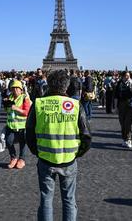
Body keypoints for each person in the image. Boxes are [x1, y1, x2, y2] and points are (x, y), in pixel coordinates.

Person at [26, 70, 92, 221]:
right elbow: (87, 136)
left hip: (45, 159)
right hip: (68, 160)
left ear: (48, 84)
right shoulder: (75, 105)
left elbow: (29, 133)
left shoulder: (39, 103)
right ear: (66, 86)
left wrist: (38, 152)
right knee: (69, 200)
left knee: (46, 200)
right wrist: (77, 153)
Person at [3, 80, 32, 169]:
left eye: (17, 88)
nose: (15, 90)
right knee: (8, 141)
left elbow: (27, 112)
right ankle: (13, 157)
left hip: (22, 126)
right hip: (11, 125)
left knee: (23, 143)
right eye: (13, 88)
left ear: (21, 89)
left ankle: (21, 159)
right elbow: (7, 111)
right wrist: (5, 104)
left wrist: (16, 108)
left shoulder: (25, 98)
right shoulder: (9, 98)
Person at [115, 71, 132, 148]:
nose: (128, 77)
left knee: (128, 123)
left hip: (130, 105)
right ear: (123, 76)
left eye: (129, 76)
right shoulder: (119, 84)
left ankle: (129, 139)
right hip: (121, 105)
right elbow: (116, 96)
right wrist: (115, 107)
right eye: (126, 75)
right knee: (122, 123)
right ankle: (124, 139)